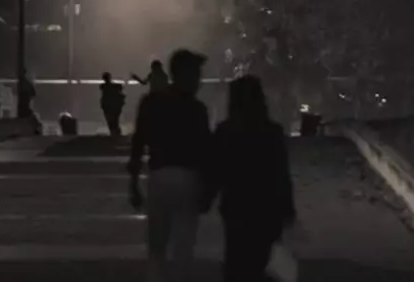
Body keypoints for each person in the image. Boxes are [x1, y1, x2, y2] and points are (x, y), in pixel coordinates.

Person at [127, 49, 210, 282]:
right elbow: (206, 152)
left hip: (159, 176)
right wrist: (208, 189)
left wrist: (133, 183)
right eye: (196, 75)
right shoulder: (197, 109)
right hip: (188, 178)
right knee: (184, 248)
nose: (199, 81)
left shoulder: (151, 103)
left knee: (157, 246)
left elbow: (138, 143)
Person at [207, 75, 296, 282]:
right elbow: (281, 174)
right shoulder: (272, 132)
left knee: (236, 262)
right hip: (267, 209)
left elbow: (215, 170)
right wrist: (287, 207)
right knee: (262, 262)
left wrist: (206, 197)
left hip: (236, 207)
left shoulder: (225, 131)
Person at [100, 72, 125, 138]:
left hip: (109, 106)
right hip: (112, 105)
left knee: (111, 120)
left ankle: (114, 133)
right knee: (114, 120)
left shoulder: (104, 87)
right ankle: (115, 133)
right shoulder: (110, 86)